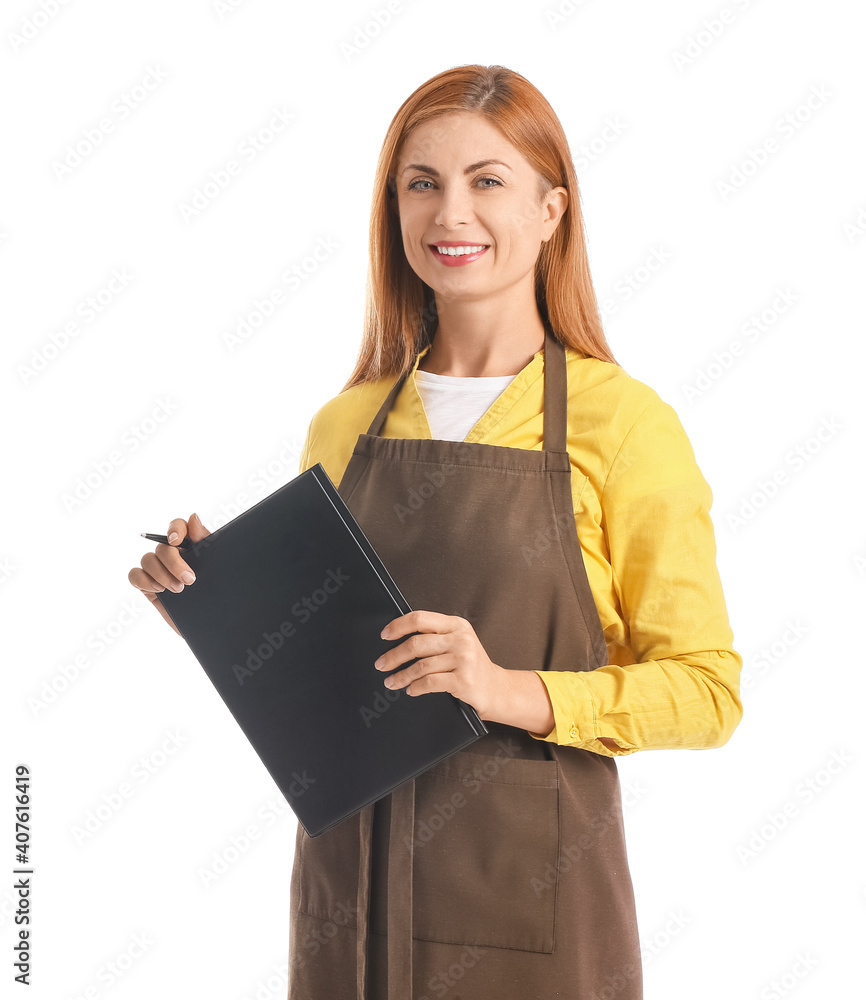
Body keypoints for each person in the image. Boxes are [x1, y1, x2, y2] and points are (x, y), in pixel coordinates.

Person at [129, 64, 742, 1000]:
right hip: (347, 898)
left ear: (552, 211)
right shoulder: (347, 424)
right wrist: (223, 612)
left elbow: (707, 693)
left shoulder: (624, 426)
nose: (450, 213)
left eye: (487, 181)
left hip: (527, 898)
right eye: (422, 184)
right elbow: (333, 673)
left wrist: (503, 689)